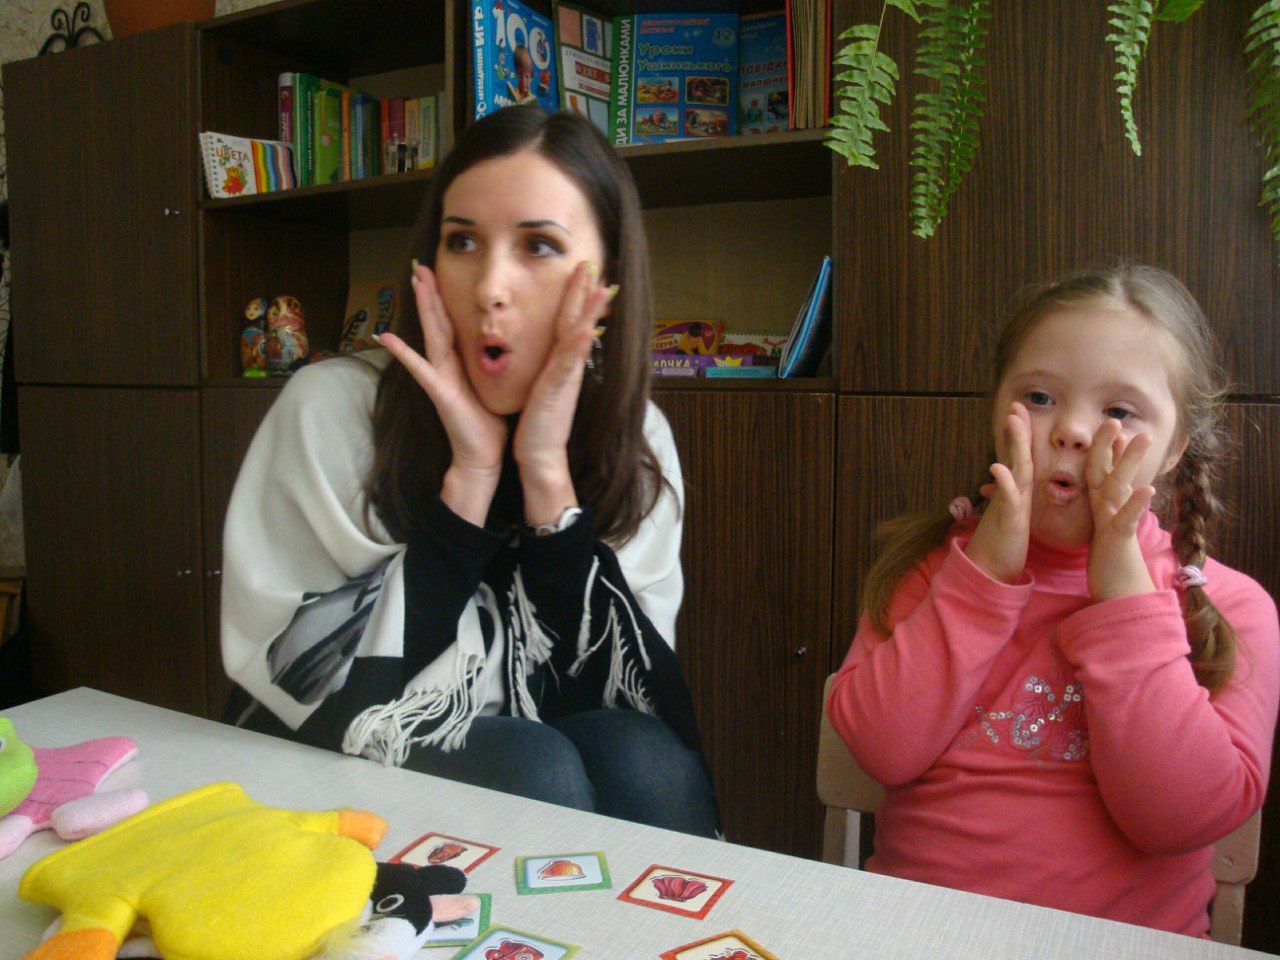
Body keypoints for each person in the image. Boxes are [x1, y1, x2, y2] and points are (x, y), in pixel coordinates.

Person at [221, 104, 719, 838]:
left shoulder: (634, 437)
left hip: (537, 748)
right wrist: (471, 480)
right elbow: (306, 679)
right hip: (328, 752)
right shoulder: (332, 408)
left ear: (608, 276)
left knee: (649, 760)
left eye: (539, 246)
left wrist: (544, 472)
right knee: (532, 766)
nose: (490, 286)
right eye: (462, 242)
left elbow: (614, 691)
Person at [827, 264, 1279, 937]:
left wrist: (1123, 594)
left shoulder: (1229, 608)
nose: (1071, 430)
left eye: (1119, 411)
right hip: (920, 934)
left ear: (1175, 448)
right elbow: (881, 749)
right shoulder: (930, 570)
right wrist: (982, 578)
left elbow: (1180, 818)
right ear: (997, 412)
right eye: (1039, 397)